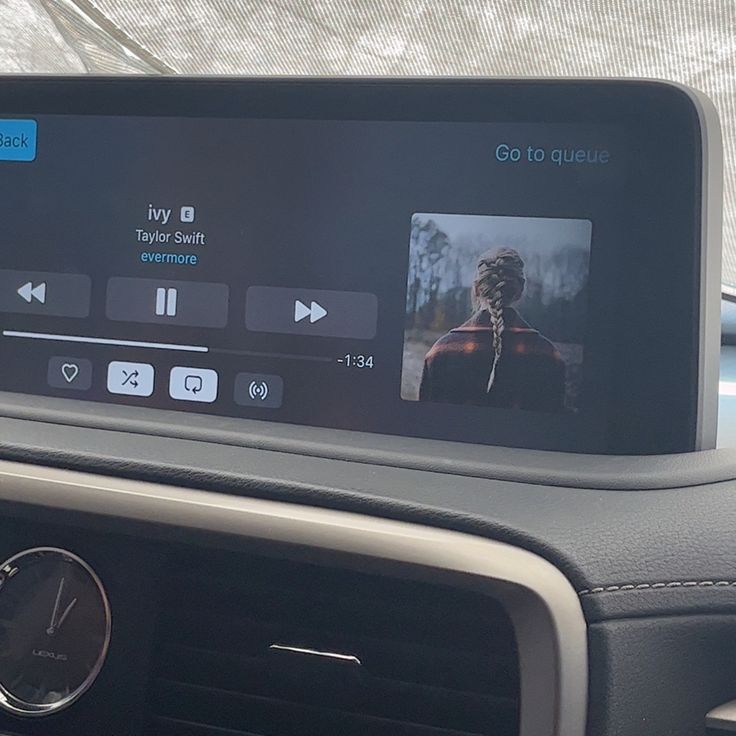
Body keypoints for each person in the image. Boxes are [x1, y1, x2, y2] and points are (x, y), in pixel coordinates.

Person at [418, 247, 567, 412]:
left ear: (476, 289)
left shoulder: (440, 352)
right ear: (520, 291)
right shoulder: (548, 356)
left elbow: (424, 424)